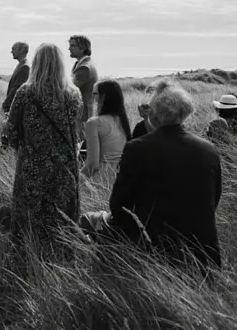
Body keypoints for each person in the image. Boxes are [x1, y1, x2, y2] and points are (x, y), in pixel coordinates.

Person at [86, 79, 222, 269]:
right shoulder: (209, 150)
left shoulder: (137, 148)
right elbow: (214, 200)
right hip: (203, 253)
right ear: (186, 113)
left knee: (87, 221)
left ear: (155, 115)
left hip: (155, 251)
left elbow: (118, 207)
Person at [6, 43, 82, 250]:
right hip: (64, 166)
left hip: (32, 165)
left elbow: (11, 130)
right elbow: (74, 127)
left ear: (37, 63)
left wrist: (24, 146)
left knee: (30, 216)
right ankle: (62, 260)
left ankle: (26, 257)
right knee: (61, 216)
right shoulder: (73, 94)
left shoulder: (25, 93)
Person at [80, 80, 132, 178]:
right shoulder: (123, 121)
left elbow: (92, 165)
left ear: (103, 97)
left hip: (100, 180)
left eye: (95, 94)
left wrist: (76, 178)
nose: (92, 98)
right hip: (121, 179)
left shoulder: (94, 123)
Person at [69, 35, 98, 142]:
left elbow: (68, 89)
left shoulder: (84, 67)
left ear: (82, 47)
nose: (69, 48)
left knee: (81, 146)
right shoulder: (81, 64)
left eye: (73, 46)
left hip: (82, 114)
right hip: (83, 112)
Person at [2, 41, 30, 114]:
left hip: (15, 108)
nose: (11, 51)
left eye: (13, 49)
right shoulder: (21, 65)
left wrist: (6, 104)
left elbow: (17, 89)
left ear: (21, 50)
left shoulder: (25, 67)